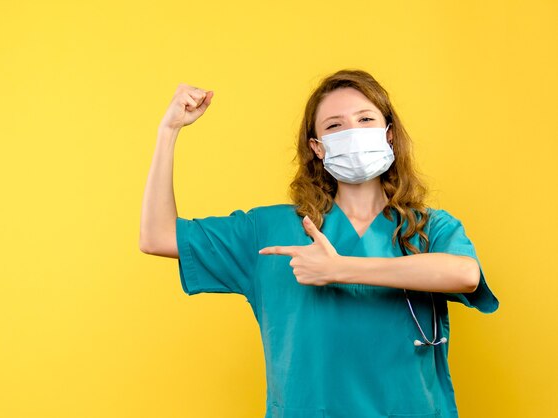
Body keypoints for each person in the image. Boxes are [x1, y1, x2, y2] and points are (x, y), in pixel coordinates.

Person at [140, 69, 499, 418]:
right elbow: (157, 236)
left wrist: (340, 268)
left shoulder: (427, 228)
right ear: (317, 147)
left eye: (365, 119)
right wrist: (167, 131)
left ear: (389, 135)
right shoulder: (269, 229)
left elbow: (465, 274)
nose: (353, 132)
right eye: (334, 126)